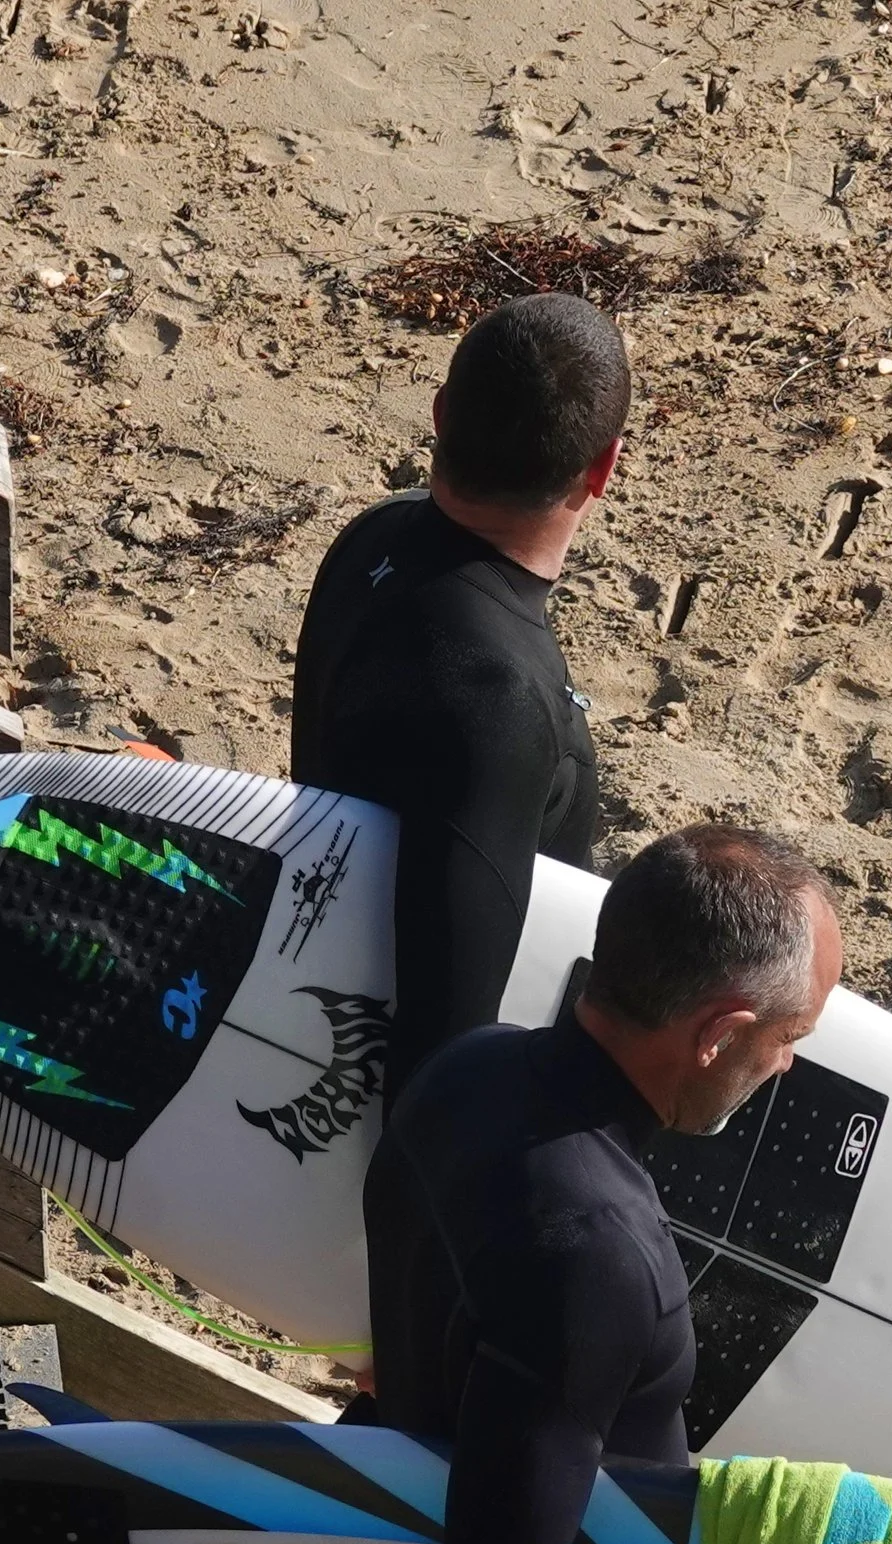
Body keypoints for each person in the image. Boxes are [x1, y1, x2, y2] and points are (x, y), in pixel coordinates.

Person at [363, 824, 845, 1544]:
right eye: (786, 1042)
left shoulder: (466, 1069)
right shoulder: (593, 1252)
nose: (781, 1070)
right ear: (721, 1030)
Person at [292, 291, 629, 1103]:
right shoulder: (499, 702)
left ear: (441, 414)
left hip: (308, 988)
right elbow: (442, 1051)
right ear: (603, 468)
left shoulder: (375, 534)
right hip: (411, 1102)